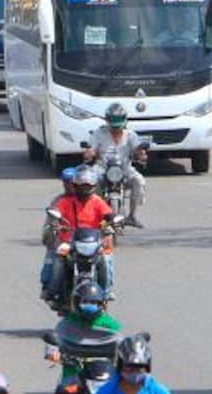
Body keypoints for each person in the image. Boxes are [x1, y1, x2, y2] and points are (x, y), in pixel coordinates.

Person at [47, 281, 122, 394]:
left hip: (102, 374)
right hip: (75, 375)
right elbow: (56, 339)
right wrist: (53, 352)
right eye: (86, 302)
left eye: (95, 303)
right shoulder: (67, 323)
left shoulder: (110, 324)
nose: (90, 306)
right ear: (76, 302)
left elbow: (120, 343)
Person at [43, 165, 113, 304]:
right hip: (68, 242)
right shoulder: (65, 201)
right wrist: (56, 223)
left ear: (93, 186)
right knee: (58, 260)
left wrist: (110, 223)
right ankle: (53, 292)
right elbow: (55, 213)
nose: (84, 189)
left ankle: (105, 292)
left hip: (93, 242)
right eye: (80, 186)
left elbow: (108, 214)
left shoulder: (97, 201)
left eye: (87, 186)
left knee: (105, 259)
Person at [84, 104, 148, 228]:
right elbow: (91, 149)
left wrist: (141, 154)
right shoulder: (98, 133)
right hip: (102, 168)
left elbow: (139, 151)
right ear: (107, 120)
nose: (116, 127)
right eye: (113, 120)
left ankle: (132, 216)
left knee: (139, 181)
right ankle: (95, 213)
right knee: (90, 182)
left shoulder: (131, 135)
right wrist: (89, 153)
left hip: (124, 168)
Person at [39, 166, 78, 292]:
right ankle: (51, 290)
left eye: (71, 182)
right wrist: (52, 232)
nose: (69, 185)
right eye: (66, 182)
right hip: (63, 241)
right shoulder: (58, 201)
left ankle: (104, 290)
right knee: (52, 263)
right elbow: (51, 221)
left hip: (84, 240)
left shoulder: (87, 198)